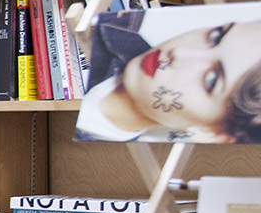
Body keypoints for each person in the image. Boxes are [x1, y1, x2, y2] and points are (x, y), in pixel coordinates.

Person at [79, 12, 261, 142]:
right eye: (216, 36)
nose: (180, 52)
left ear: (214, 133)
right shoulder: (106, 22)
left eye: (211, 80)